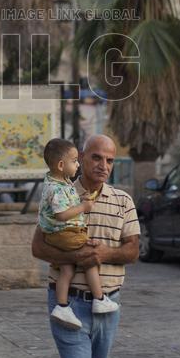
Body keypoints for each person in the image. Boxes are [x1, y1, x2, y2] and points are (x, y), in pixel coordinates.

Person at [31, 134, 139, 358]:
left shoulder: (123, 201)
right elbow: (38, 247)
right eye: (95, 158)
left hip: (108, 304)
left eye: (109, 160)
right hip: (69, 304)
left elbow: (132, 251)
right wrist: (75, 257)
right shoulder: (60, 193)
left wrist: (101, 255)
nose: (102, 166)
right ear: (79, 158)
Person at [40, 138, 119, 330]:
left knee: (67, 269)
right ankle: (100, 299)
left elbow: (65, 204)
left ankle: (61, 306)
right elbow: (61, 215)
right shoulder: (56, 188)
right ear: (61, 165)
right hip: (63, 232)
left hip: (57, 234)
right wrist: (83, 206)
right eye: (75, 161)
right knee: (90, 256)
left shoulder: (60, 182)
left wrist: (79, 199)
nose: (77, 165)